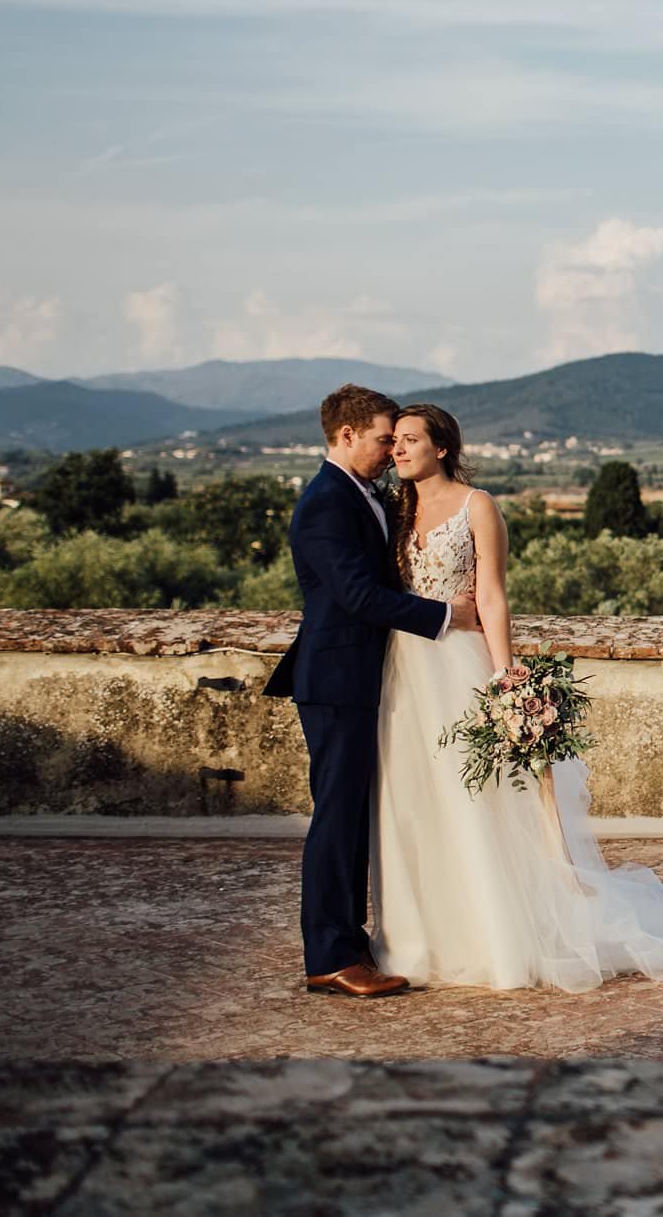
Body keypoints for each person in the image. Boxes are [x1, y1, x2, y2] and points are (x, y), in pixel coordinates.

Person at [369, 402, 663, 990]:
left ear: (442, 448)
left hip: (460, 666)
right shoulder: (395, 509)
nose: (397, 450)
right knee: (412, 802)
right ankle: (425, 937)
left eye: (409, 440)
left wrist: (507, 680)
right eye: (395, 441)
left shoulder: (477, 505)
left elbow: (492, 597)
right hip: (403, 669)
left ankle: (496, 936)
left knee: (474, 801)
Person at [263, 385, 479, 998]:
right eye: (385, 438)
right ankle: (329, 957)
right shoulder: (325, 504)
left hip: (369, 677)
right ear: (348, 435)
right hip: (336, 680)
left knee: (359, 815)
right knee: (337, 818)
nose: (391, 451)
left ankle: (353, 945)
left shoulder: (366, 496)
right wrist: (446, 617)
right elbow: (358, 596)